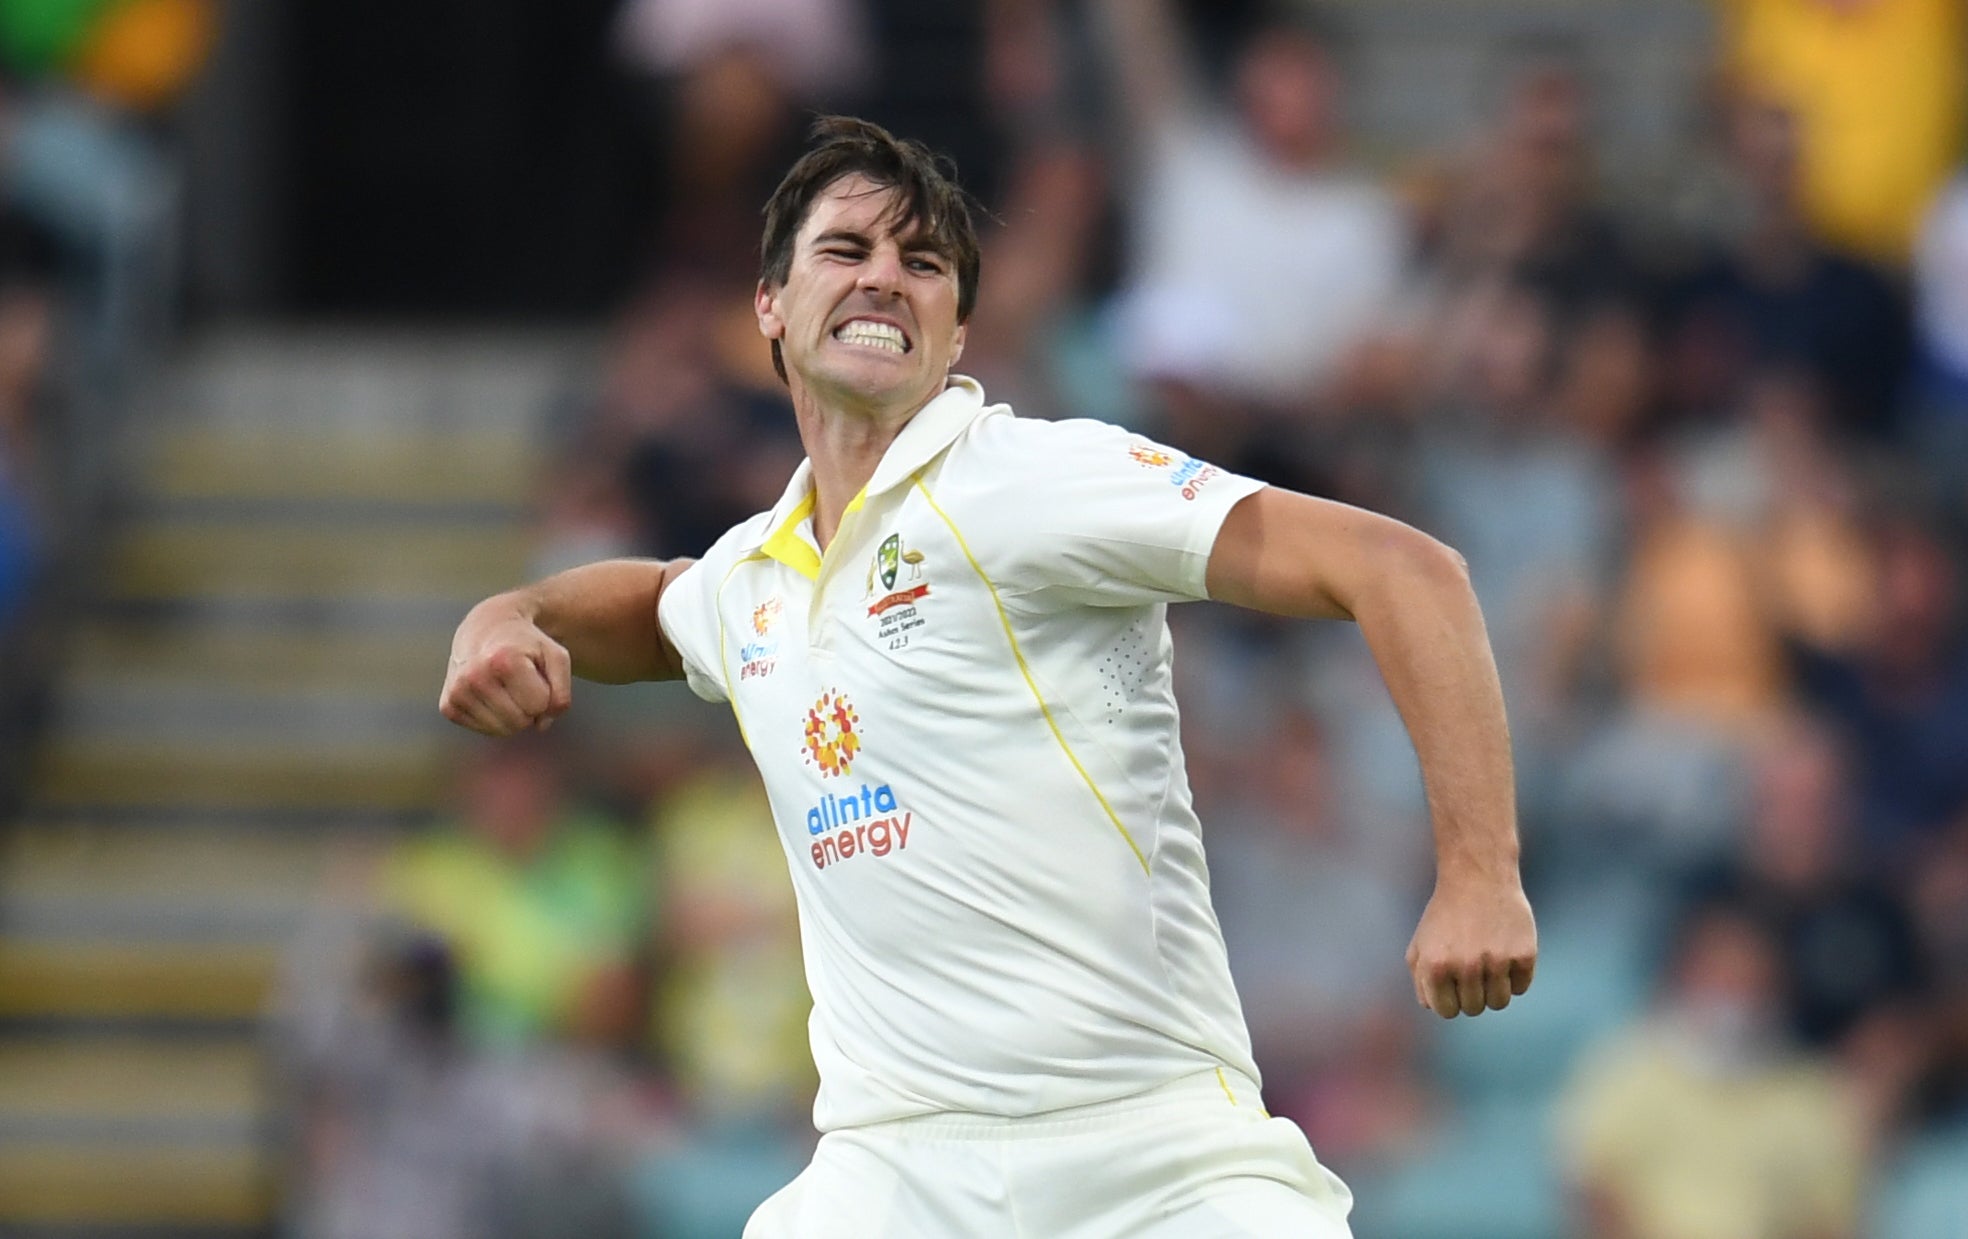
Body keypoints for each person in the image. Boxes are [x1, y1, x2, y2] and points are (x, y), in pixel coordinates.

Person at [440, 116, 1536, 1238]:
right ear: (767, 303)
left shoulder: (1038, 480)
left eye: (923, 265)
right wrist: (510, 612)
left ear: (957, 330)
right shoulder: (754, 578)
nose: (884, 278)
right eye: (846, 250)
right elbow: (658, 611)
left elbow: (1404, 568)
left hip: (1153, 1158)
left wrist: (1479, 872)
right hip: (893, 1171)